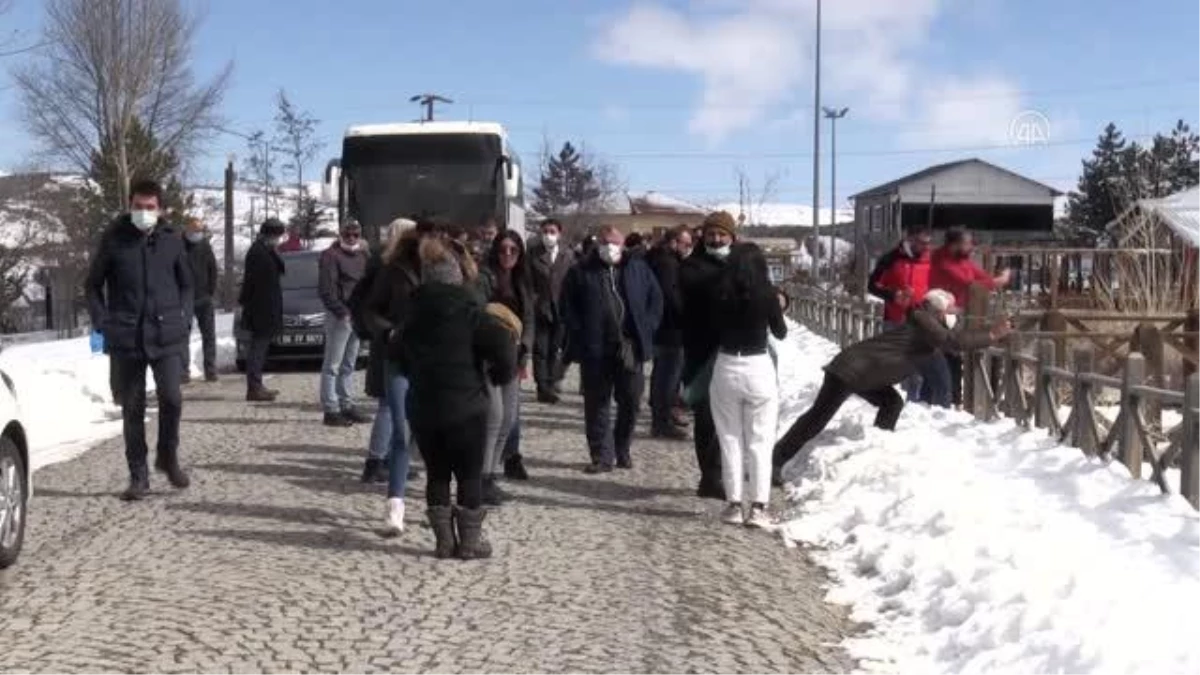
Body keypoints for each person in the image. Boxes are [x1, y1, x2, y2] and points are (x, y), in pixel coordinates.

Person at [773, 289, 1012, 474]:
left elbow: (953, 340)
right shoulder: (925, 321)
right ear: (938, 311)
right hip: (852, 369)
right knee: (817, 419)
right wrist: (990, 335)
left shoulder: (927, 324)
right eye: (950, 310)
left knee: (892, 403)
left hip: (868, 374)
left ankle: (876, 449)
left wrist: (986, 335)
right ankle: (776, 460)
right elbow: (953, 341)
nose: (954, 315)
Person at [398, 238, 516, 559]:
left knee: (437, 473)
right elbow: (504, 344)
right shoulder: (470, 311)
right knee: (468, 474)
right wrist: (500, 375)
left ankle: (444, 541)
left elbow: (395, 354)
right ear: (456, 276)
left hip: (424, 406)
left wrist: (416, 372)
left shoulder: (412, 314)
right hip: (467, 406)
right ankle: (469, 542)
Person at [86, 179, 193, 501]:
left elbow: (187, 285)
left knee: (172, 399)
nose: (144, 213)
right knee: (132, 409)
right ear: (129, 206)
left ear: (160, 209)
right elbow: (92, 286)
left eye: (150, 208)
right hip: (126, 337)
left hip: (167, 335)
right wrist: (103, 321)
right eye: (138, 207)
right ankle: (138, 476)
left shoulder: (173, 241)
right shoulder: (114, 240)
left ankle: (167, 456)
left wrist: (184, 316)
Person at [364, 218, 445, 533]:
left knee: (433, 436)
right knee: (401, 429)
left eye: (434, 237)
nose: (429, 242)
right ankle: (395, 505)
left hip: (436, 361)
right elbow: (371, 310)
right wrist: (387, 332)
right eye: (424, 236)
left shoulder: (446, 269)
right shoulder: (393, 270)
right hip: (398, 357)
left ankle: (435, 504)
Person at [563, 225, 663, 473]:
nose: (609, 247)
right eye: (604, 242)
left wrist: (647, 328)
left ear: (622, 244)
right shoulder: (580, 272)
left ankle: (622, 448)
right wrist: (580, 331)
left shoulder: (638, 268)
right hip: (595, 347)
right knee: (597, 403)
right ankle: (601, 455)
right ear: (597, 245)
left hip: (630, 347)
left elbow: (656, 300)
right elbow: (567, 306)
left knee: (631, 400)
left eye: (614, 242)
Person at [709, 243, 788, 528]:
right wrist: (779, 305)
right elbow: (780, 332)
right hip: (758, 366)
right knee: (760, 441)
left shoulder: (719, 292)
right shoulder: (766, 293)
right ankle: (758, 506)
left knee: (729, 437)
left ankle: (732, 504)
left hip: (726, 364)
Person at [353, 219, 418, 484]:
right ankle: (375, 460)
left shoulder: (385, 263)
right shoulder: (386, 265)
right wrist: (383, 330)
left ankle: (390, 458)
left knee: (397, 406)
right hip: (390, 341)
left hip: (393, 339)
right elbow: (366, 304)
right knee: (389, 406)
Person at [680, 211, 738, 499]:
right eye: (711, 234)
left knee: (731, 418)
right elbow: (695, 294)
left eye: (722, 235)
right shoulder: (691, 266)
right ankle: (710, 476)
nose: (716, 239)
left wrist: (781, 298)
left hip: (735, 353)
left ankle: (718, 474)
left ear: (732, 237)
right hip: (701, 353)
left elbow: (764, 288)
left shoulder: (744, 263)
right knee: (706, 418)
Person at [477, 231, 536, 493]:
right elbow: (477, 314)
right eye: (503, 249)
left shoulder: (523, 280)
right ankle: (481, 477)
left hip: (514, 356)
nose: (508, 255)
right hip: (488, 356)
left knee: (509, 419)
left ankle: (491, 476)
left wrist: (526, 349)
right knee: (494, 417)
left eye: (513, 250)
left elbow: (530, 318)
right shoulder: (484, 278)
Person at [928, 227, 1013, 408]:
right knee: (943, 361)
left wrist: (996, 280)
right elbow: (970, 284)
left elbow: (983, 279)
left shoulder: (963, 261)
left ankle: (952, 401)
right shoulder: (941, 261)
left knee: (953, 359)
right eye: (967, 243)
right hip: (939, 317)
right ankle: (941, 403)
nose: (971, 246)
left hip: (957, 317)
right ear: (954, 245)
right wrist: (1000, 280)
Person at [868, 224, 934, 402]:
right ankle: (893, 402)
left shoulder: (930, 260)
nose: (926, 248)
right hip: (895, 319)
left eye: (928, 243)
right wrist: (893, 294)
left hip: (921, 321)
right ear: (909, 239)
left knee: (918, 368)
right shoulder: (890, 259)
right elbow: (872, 285)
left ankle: (915, 405)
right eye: (922, 243)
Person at [317, 221, 370, 427]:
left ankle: (346, 404)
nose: (351, 238)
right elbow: (326, 290)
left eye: (355, 234)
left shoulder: (363, 255)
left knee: (349, 364)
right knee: (332, 364)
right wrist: (341, 312)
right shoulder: (330, 256)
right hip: (340, 316)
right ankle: (331, 408)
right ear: (340, 235)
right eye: (348, 235)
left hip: (358, 315)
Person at [646, 225, 693, 439]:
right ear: (674, 242)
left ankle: (660, 418)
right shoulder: (667, 263)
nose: (687, 248)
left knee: (662, 375)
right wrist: (687, 315)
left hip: (662, 327)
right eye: (686, 244)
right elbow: (671, 295)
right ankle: (661, 421)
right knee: (668, 378)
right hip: (671, 329)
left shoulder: (658, 258)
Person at [239, 219, 288, 402]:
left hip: (266, 307)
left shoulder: (266, 250)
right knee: (257, 349)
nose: (279, 239)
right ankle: (254, 387)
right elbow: (254, 285)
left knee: (261, 348)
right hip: (261, 309)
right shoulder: (258, 252)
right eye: (278, 235)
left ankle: (257, 384)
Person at [528, 218, 576, 404]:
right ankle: (543, 388)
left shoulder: (568, 255)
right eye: (545, 231)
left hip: (561, 310)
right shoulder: (532, 255)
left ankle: (551, 382)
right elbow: (527, 281)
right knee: (540, 350)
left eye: (552, 231)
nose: (548, 235)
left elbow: (573, 282)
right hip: (541, 308)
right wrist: (534, 301)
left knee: (554, 349)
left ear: (559, 233)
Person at [182, 217, 219, 383]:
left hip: (204, 297)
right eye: (194, 230)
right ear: (187, 230)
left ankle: (210, 370)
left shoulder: (205, 245)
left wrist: (210, 291)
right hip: (185, 298)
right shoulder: (179, 245)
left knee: (209, 335)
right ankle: (183, 372)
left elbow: (213, 269)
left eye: (200, 231)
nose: (197, 234)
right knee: (183, 336)